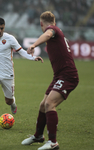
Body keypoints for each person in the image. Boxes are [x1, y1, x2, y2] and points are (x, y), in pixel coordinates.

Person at [21, 11, 79, 150]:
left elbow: (47, 34)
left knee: (49, 103)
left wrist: (34, 45)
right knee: (43, 105)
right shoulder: (57, 30)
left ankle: (53, 142)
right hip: (59, 75)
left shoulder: (51, 30)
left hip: (67, 75)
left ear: (42, 23)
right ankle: (38, 136)